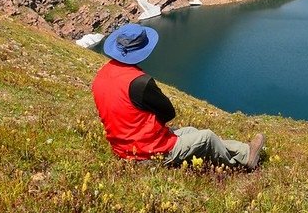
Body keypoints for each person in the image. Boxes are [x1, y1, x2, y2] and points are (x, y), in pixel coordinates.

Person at [91, 23, 265, 169]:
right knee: (207, 137)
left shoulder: (101, 75)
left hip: (123, 148)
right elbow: (168, 113)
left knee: (191, 131)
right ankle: (240, 164)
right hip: (147, 152)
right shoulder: (139, 82)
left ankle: (244, 151)